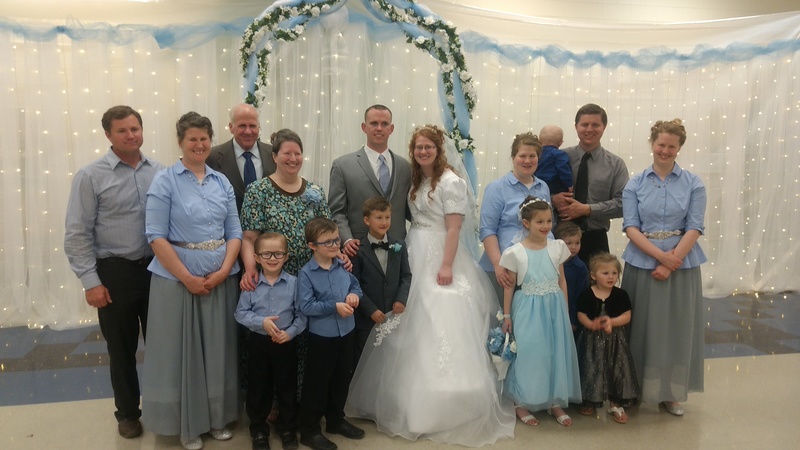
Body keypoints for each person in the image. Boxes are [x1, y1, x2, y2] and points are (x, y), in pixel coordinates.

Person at [346, 125, 515, 447]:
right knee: (409, 314)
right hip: (414, 247)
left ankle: (445, 403)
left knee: (440, 316)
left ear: (439, 150)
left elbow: (454, 229)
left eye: (428, 147)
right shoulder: (418, 180)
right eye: (418, 148)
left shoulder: (451, 182)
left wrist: (447, 264)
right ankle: (404, 396)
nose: (423, 152)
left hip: (440, 252)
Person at [141, 112, 242, 450]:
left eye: (204, 139)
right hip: (176, 282)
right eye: (192, 139)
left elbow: (234, 231)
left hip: (218, 279)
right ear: (180, 142)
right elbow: (155, 235)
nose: (199, 145)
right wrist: (186, 278)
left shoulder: (221, 182)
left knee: (217, 352)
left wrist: (225, 269)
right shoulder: (165, 180)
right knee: (181, 355)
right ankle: (187, 425)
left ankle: (215, 418)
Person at [64, 105, 164, 439]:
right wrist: (91, 282)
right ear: (108, 135)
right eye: (122, 130)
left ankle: (165, 407)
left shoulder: (160, 172)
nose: (130, 135)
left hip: (156, 271)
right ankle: (127, 413)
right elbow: (76, 235)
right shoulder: (91, 176)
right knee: (121, 350)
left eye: (135, 128)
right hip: (115, 274)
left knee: (163, 345)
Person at [621, 118, 707, 416]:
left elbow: (695, 226)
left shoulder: (694, 183)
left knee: (674, 330)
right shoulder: (635, 183)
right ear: (652, 144)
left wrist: (672, 262)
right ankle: (633, 389)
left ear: (679, 147)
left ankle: (669, 393)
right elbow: (630, 227)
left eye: (672, 146)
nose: (665, 151)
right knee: (641, 328)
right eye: (661, 145)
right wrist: (660, 257)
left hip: (681, 266)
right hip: (642, 264)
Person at [499, 197, 581, 427]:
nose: (546, 226)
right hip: (528, 307)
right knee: (531, 353)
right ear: (526, 223)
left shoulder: (558, 247)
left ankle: (553, 400)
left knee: (554, 352)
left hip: (554, 306)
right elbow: (509, 286)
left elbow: (562, 279)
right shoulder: (515, 252)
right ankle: (521, 403)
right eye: (539, 222)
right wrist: (507, 316)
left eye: (548, 221)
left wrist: (564, 308)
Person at [235, 232, 306, 450]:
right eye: (266, 254)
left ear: (286, 257)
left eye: (278, 254)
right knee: (259, 387)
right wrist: (261, 322)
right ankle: (258, 430)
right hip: (259, 342)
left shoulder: (295, 283)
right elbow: (240, 313)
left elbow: (302, 315)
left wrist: (291, 333)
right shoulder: (252, 284)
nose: (272, 258)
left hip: (285, 343)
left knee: (287, 386)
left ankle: (287, 429)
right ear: (256, 257)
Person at [297, 218, 364, 450]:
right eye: (328, 242)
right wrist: (334, 306)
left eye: (336, 239)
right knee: (318, 382)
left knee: (341, 378)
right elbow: (305, 306)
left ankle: (336, 420)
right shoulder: (306, 274)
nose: (335, 245)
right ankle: (309, 430)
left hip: (347, 332)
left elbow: (355, 286)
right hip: (322, 337)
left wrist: (354, 296)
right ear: (312, 246)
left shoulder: (342, 265)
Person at [240, 128, 331, 285]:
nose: (293, 159)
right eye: (287, 153)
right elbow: (249, 238)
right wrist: (250, 268)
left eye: (297, 154)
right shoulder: (258, 190)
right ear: (275, 157)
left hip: (311, 278)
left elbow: (328, 234)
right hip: (272, 278)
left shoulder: (315, 191)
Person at [329, 104, 412, 257]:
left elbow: (411, 210)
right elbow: (337, 211)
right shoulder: (342, 166)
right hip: (358, 251)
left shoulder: (405, 167)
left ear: (391, 128)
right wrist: (346, 240)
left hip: (397, 250)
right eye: (374, 123)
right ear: (364, 127)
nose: (379, 128)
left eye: (384, 124)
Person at [551, 103, 629, 265]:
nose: (589, 129)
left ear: (604, 127)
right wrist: (552, 198)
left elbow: (623, 204)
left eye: (595, 125)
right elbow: (537, 188)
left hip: (596, 239)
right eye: (584, 124)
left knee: (597, 289)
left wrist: (587, 209)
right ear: (576, 126)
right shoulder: (559, 157)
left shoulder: (615, 164)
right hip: (559, 237)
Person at [479, 132, 552, 305]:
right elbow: (487, 230)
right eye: (522, 156)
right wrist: (498, 265)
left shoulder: (543, 188)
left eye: (532, 156)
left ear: (538, 158)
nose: (527, 161)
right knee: (503, 321)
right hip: (505, 269)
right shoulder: (497, 188)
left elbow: (547, 226)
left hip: (536, 270)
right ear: (513, 158)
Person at [575, 253, 638, 424]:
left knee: (616, 368)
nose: (611, 277)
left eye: (614, 273)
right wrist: (590, 324)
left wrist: (612, 321)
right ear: (593, 275)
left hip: (615, 341)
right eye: (605, 273)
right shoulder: (586, 294)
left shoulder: (620, 295)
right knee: (591, 367)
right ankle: (590, 400)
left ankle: (616, 402)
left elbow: (627, 316)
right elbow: (581, 314)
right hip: (591, 342)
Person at [351, 196, 412, 365]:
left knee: (391, 361)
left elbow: (406, 275)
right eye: (379, 217)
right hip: (367, 319)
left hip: (393, 316)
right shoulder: (358, 250)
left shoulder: (399, 245)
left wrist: (401, 298)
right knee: (366, 361)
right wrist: (370, 309)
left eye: (387, 217)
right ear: (366, 220)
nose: (384, 222)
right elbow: (355, 284)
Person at [207, 103, 276, 213]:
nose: (248, 131)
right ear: (231, 127)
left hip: (268, 229)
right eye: (242, 126)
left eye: (252, 126)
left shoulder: (274, 155)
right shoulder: (212, 157)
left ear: (259, 127)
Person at [554, 221, 589, 336]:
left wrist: (573, 320)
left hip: (570, 316)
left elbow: (581, 296)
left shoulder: (580, 268)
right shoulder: (552, 262)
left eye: (577, 243)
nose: (573, 247)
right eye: (568, 243)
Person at [535, 125, 573, 198]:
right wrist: (569, 185)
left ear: (539, 141)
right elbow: (564, 170)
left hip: (538, 186)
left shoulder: (536, 154)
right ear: (561, 143)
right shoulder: (560, 155)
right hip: (555, 187)